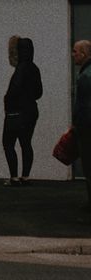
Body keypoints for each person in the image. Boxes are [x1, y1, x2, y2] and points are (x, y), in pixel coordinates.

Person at [2, 36, 43, 187]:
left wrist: (8, 103)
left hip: (16, 112)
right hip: (31, 111)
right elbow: (39, 92)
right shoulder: (34, 68)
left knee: (8, 143)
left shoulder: (20, 68)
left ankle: (14, 177)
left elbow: (14, 90)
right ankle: (26, 176)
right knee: (26, 143)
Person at [72, 40, 91, 210]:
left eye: (75, 51)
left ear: (83, 54)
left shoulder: (85, 76)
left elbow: (84, 105)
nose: (73, 55)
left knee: (88, 164)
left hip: (87, 128)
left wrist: (77, 124)